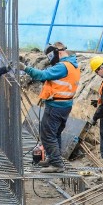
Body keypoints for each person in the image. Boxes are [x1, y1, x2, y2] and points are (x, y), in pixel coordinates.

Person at [23, 42, 80, 172]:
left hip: (56, 106)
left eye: (50, 56)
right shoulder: (72, 65)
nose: (50, 60)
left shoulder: (62, 66)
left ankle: (56, 164)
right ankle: (54, 158)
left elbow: (42, 75)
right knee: (55, 134)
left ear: (58, 52)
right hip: (65, 105)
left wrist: (25, 68)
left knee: (47, 135)